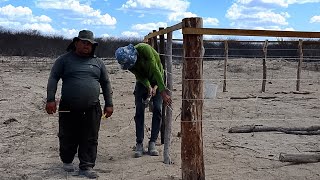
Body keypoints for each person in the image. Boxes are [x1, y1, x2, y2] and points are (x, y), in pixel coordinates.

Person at [46, 30, 113, 179]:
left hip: (92, 107)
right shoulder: (63, 60)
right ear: (76, 43)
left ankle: (86, 166)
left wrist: (109, 103)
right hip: (68, 106)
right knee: (67, 136)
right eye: (84, 42)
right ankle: (67, 160)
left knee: (90, 137)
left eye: (90, 44)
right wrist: (50, 99)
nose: (86, 46)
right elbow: (53, 78)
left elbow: (106, 83)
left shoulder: (98, 63)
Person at [115, 43, 172, 158]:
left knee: (157, 108)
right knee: (139, 110)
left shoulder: (144, 49)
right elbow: (139, 76)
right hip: (142, 83)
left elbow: (156, 69)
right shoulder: (129, 64)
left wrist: (159, 89)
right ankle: (139, 143)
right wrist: (148, 86)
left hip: (158, 78)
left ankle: (152, 142)